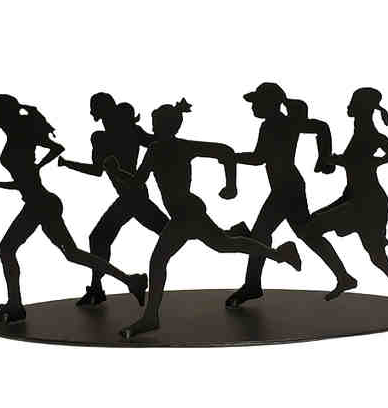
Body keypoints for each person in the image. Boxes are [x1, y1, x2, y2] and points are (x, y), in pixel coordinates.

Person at [104, 98, 302, 338]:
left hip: (186, 214)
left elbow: (225, 152)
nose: (153, 127)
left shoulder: (165, 149)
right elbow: (139, 181)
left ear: (168, 126)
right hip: (187, 212)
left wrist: (231, 186)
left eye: (156, 123)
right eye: (154, 122)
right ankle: (280, 254)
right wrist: (117, 172)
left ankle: (151, 317)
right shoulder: (164, 149)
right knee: (225, 244)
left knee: (160, 260)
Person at [0, 94, 147, 323]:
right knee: (72, 254)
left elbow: (54, 150)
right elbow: (27, 180)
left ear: (5, 114)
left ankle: (15, 306)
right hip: (41, 203)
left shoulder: (20, 138)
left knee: (6, 250)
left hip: (39, 204)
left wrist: (38, 165)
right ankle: (131, 280)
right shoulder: (19, 138)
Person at [225, 83, 357, 308]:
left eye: (257, 102)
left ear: (271, 103)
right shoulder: (283, 123)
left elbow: (258, 158)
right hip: (289, 187)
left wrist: (232, 157)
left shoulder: (275, 125)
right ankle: (343, 276)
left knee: (260, 236)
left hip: (285, 189)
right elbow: (321, 128)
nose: (253, 107)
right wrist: (323, 157)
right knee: (306, 233)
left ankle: (252, 284)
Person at [302, 87, 388, 317]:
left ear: (362, 108)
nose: (348, 106)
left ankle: (345, 277)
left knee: (312, 229)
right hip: (356, 196)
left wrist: (370, 163)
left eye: (353, 103)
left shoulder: (369, 133)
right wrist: (344, 161)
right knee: (378, 258)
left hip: (366, 202)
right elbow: (362, 160)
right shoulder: (361, 132)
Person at [58, 93, 168, 306]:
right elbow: (157, 141)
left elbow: (96, 170)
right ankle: (97, 289)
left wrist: (68, 164)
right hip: (132, 196)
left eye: (94, 108)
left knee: (173, 232)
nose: (92, 112)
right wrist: (68, 164)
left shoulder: (107, 137)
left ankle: (100, 289)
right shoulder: (122, 133)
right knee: (101, 237)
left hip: (133, 197)